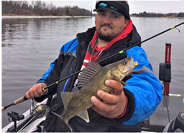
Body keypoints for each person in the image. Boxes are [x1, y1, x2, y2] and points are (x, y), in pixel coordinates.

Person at [25, 1, 162, 132]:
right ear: (96, 16)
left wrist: (125, 104)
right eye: (102, 14)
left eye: (115, 16)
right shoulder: (74, 45)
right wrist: (44, 84)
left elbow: (149, 86)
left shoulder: (133, 54)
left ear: (126, 21)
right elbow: (56, 70)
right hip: (57, 125)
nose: (107, 20)